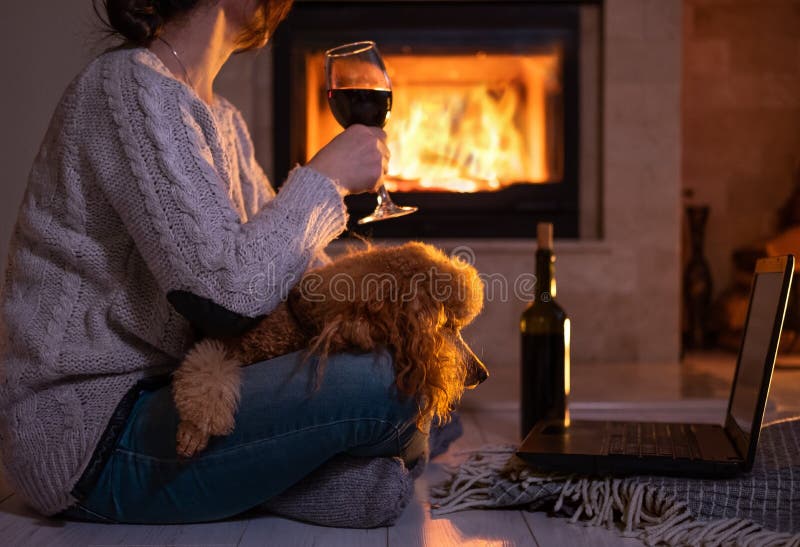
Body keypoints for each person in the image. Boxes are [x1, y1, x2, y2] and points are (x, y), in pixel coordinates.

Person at [0, 0, 428, 524]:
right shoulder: (128, 88)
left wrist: (387, 315)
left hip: (190, 394)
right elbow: (223, 295)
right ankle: (272, 474)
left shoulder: (222, 116)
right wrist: (327, 179)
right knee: (390, 386)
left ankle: (250, 479)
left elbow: (283, 274)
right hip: (91, 429)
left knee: (415, 365)